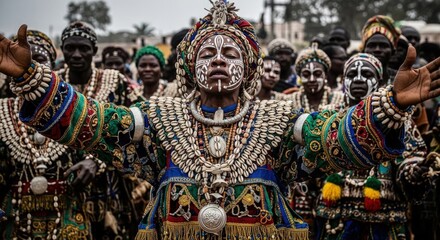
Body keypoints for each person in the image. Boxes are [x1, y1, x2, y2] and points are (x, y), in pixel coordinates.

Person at [1, 1, 440, 239]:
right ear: (189, 67)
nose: (217, 60)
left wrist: (388, 105)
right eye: (206, 53)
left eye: (230, 53)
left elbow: (335, 138)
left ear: (249, 68)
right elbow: (92, 123)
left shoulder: (279, 117)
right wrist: (34, 79)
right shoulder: (158, 117)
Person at [315, 52, 437, 240]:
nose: (358, 79)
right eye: (351, 75)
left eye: (367, 74)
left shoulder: (397, 118)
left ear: (379, 81)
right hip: (335, 217)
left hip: (384, 218)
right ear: (343, 80)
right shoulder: (327, 117)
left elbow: (411, 157)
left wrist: (414, 170)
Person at [0, 29, 96, 240]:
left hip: (67, 209)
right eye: (23, 60)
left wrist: (93, 162)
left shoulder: (72, 105)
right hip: (15, 216)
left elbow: (94, 140)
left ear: (53, 67)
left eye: (38, 60)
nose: (28, 66)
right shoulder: (1, 111)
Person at [55, 21, 139, 240]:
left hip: (110, 183)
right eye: (70, 48)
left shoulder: (115, 81)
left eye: (83, 48)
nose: (76, 54)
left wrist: (98, 161)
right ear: (62, 48)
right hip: (63, 182)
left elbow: (139, 124)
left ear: (94, 50)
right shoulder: (53, 84)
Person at [287, 43, 345, 112]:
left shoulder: (341, 100)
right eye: (306, 75)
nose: (312, 79)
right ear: (300, 76)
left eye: (317, 74)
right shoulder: (289, 102)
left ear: (326, 75)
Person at [361, 15, 401, 86]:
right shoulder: (355, 79)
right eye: (372, 45)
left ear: (393, 51)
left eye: (383, 46)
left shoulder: (401, 80)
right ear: (363, 50)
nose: (377, 50)